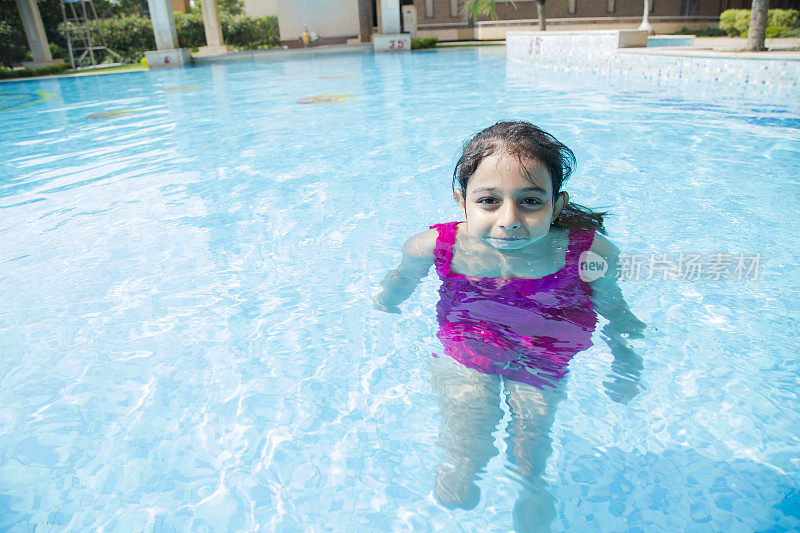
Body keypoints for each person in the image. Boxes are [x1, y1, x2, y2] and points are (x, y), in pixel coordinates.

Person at [373, 121, 646, 531]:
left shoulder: (587, 249)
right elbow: (399, 280)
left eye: (531, 201)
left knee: (533, 427)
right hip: (470, 341)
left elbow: (612, 302)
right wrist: (383, 305)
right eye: (488, 200)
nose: (510, 219)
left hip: (546, 350)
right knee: (468, 414)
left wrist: (626, 353)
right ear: (461, 201)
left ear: (556, 205)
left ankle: (531, 483)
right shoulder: (434, 244)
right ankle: (464, 464)